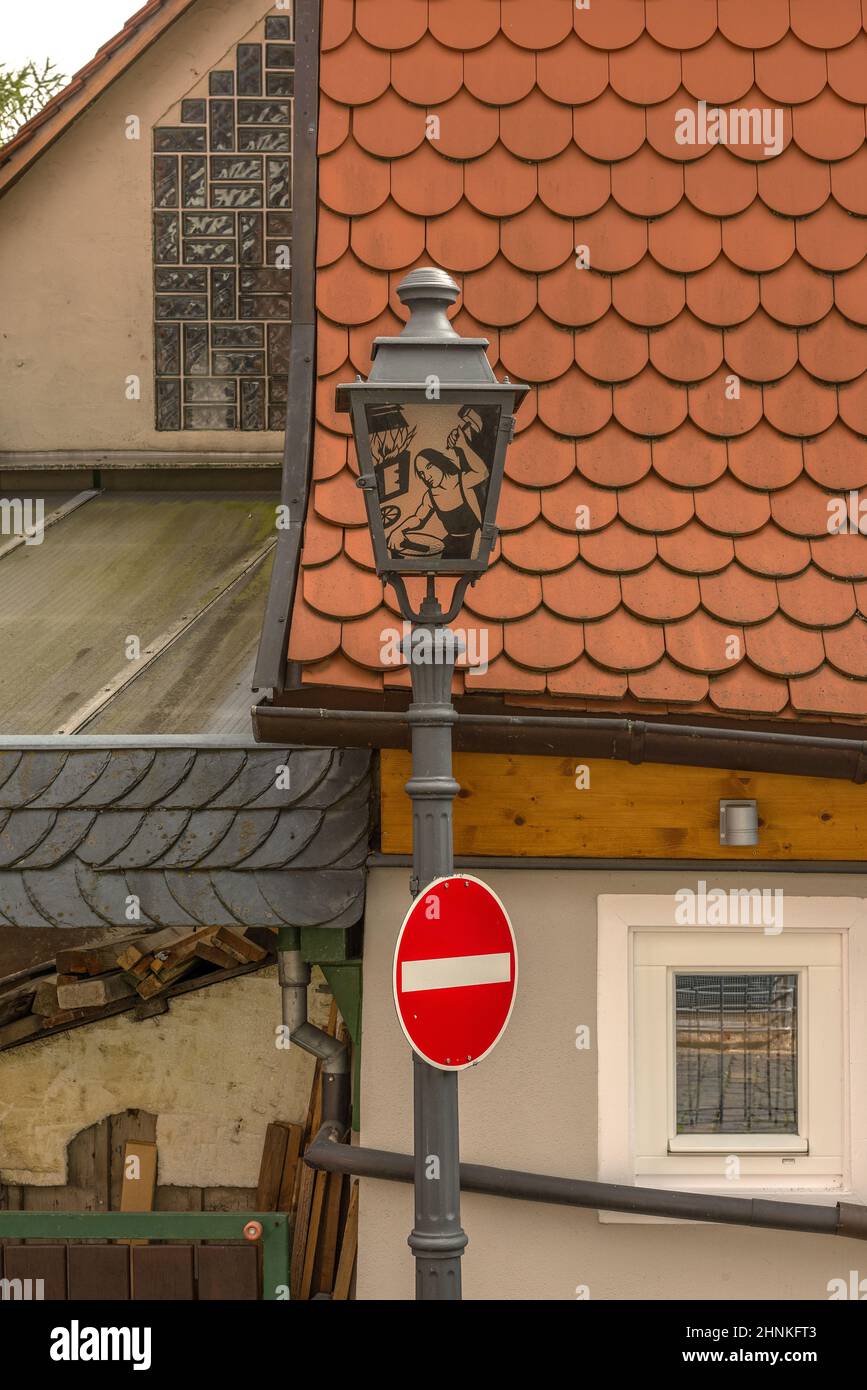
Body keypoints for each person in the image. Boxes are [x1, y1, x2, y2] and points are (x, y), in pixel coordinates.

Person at [387, 415, 489, 560]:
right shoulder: (430, 496)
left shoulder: (462, 481)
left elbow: (482, 472)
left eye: (429, 467)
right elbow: (418, 518)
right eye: (421, 473)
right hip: (451, 544)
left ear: (439, 464)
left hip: (475, 543)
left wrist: (463, 445)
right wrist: (397, 530)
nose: (425, 475)